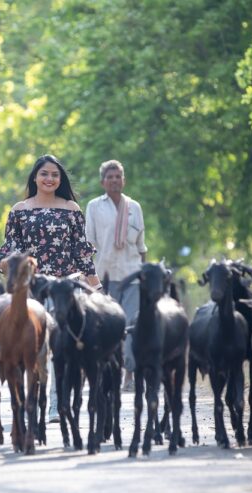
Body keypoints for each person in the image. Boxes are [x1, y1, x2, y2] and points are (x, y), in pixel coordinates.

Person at [0, 154, 101, 422]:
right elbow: (7, 253)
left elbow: (81, 253)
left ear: (60, 179)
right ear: (35, 178)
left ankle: (55, 403)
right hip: (30, 290)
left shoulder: (72, 209)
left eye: (55, 175)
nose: (50, 179)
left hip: (63, 289)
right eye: (44, 174)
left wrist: (96, 287)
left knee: (59, 349)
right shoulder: (19, 210)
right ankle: (25, 399)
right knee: (25, 347)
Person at [85, 159, 146, 392]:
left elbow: (141, 246)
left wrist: (145, 277)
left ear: (124, 180)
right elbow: (88, 243)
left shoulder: (135, 207)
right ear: (103, 182)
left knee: (131, 324)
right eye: (109, 177)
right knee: (103, 325)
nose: (114, 180)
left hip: (132, 276)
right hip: (102, 277)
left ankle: (129, 373)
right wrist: (86, 276)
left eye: (118, 176)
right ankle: (103, 372)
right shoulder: (94, 207)